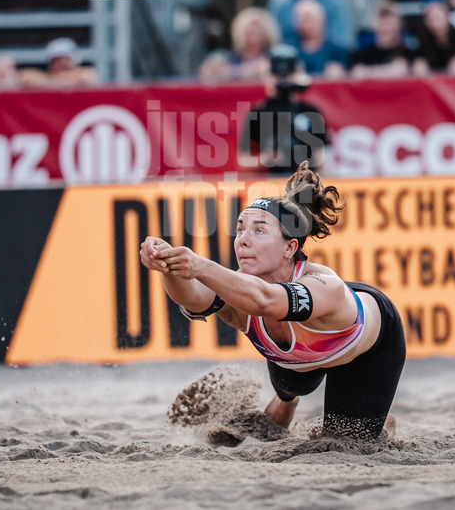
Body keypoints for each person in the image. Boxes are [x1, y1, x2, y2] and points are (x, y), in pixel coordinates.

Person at [139, 162, 406, 441]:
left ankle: (379, 421)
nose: (242, 240)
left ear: (290, 248)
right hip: (297, 355)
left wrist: (200, 266)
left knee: (346, 441)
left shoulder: (326, 285)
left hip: (367, 348)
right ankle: (286, 399)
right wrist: (168, 264)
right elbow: (193, 298)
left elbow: (267, 301)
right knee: (290, 380)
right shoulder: (239, 289)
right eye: (240, 229)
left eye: (259, 231)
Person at [238, 45, 327, 173]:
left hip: (304, 187)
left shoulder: (311, 112)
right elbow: (242, 161)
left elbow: (321, 161)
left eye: (288, 74)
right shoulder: (259, 112)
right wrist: (263, 160)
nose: (283, 79)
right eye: (277, 74)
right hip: (272, 186)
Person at [349, 0, 410, 78]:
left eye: (389, 23)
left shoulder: (410, 55)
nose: (385, 28)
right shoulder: (362, 56)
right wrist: (389, 71)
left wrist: (369, 72)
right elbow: (356, 73)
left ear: (398, 25)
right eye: (381, 22)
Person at [229, 6, 279, 81]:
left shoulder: (274, 57)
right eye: (250, 30)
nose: (254, 30)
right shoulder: (234, 60)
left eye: (258, 29)